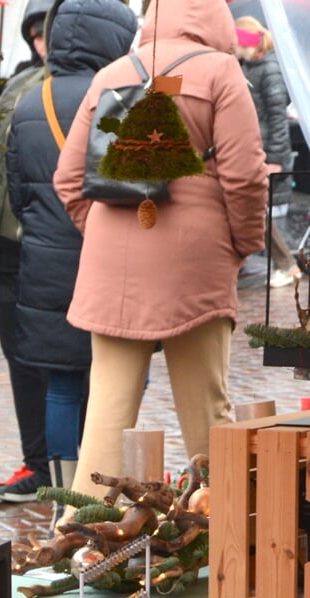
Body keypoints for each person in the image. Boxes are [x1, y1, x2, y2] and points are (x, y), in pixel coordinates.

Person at [54, 0, 268, 498]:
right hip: (195, 263)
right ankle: (227, 530)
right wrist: (242, 245)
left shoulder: (111, 73)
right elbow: (245, 176)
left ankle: (82, 543)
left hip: (113, 271)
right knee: (209, 416)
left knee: (106, 412)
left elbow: (67, 179)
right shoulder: (220, 72)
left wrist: (105, 235)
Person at [7, 0, 137, 491]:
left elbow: (17, 191)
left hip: (44, 265)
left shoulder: (28, 101)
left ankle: (64, 490)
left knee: (61, 384)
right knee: (121, 381)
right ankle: (108, 484)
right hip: (109, 261)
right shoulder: (121, 95)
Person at [0, 0, 58, 504]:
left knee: (63, 363)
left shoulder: (102, 87)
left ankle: (65, 464)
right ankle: (38, 462)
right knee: (19, 358)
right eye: (35, 35)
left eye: (47, 32)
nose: (41, 43)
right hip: (8, 246)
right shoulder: (15, 87)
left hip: (55, 244)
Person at [235, 16, 300, 288]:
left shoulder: (267, 68)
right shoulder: (248, 66)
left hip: (263, 153)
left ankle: (287, 264)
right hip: (253, 149)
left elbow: (277, 119)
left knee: (255, 209)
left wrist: (275, 159)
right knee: (250, 207)